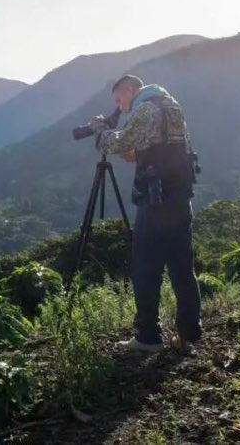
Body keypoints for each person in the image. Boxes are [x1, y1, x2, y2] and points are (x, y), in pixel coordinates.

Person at [87, 74, 202, 352]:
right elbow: (164, 147)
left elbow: (117, 143)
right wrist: (137, 153)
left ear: (130, 90)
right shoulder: (170, 105)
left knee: (146, 267)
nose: (120, 105)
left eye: (119, 99)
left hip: (156, 200)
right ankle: (190, 334)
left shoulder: (146, 107)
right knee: (182, 269)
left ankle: (148, 336)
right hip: (180, 197)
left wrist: (99, 129)